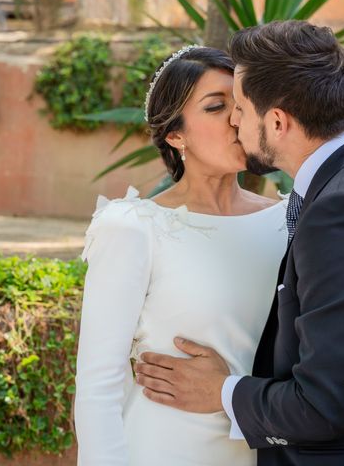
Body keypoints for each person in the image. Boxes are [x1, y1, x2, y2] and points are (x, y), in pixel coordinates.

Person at [135, 21, 344, 466]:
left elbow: (323, 405)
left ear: (278, 122)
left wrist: (221, 391)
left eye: (241, 108)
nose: (234, 122)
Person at [74, 46, 288, 466]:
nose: (235, 119)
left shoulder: (289, 221)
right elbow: (99, 383)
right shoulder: (134, 227)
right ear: (175, 135)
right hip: (160, 448)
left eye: (242, 105)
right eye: (215, 107)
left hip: (264, 450)